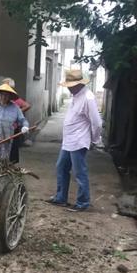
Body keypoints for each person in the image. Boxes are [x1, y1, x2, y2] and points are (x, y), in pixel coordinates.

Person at [47, 69, 102, 212]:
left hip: (79, 141)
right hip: (69, 141)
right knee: (61, 167)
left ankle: (83, 202)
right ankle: (61, 198)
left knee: (79, 172)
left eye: (70, 85)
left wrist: (95, 140)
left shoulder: (88, 98)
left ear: (78, 84)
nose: (69, 88)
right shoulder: (76, 95)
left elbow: (96, 123)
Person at [0, 83, 29, 160]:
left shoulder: (15, 108)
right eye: (2, 94)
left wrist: (25, 126)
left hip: (6, 139)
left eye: (6, 95)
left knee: (3, 161)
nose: (4, 97)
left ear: (10, 96)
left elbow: (23, 120)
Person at [0, 78, 32, 163]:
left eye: (5, 85)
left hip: (12, 129)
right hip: (1, 129)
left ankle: (10, 166)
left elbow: (27, 105)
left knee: (12, 150)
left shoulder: (15, 101)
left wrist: (17, 113)